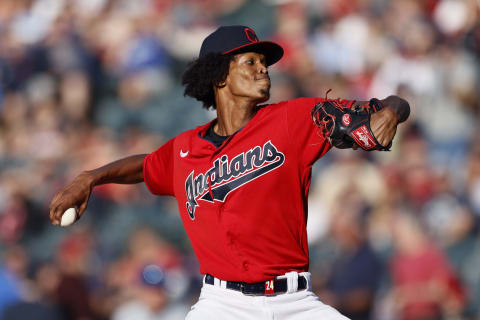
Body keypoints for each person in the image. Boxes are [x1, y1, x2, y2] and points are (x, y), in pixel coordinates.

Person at [49, 25, 410, 319]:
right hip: (222, 305)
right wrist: (90, 177)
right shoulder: (186, 149)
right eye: (250, 61)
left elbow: (382, 107)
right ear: (219, 74)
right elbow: (144, 166)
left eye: (264, 62)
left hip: (296, 303)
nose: (262, 68)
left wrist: (392, 111)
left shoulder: (293, 119)